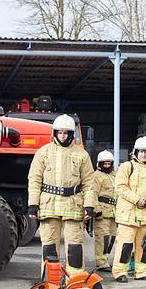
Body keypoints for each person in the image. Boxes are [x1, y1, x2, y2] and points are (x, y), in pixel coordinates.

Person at [27, 114, 95, 275]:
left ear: (71, 134)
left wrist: (90, 206)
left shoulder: (82, 155)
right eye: (60, 132)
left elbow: (89, 183)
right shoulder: (43, 153)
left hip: (73, 205)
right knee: (49, 246)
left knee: (75, 246)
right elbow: (34, 179)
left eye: (66, 133)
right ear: (55, 133)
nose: (63, 136)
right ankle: (51, 281)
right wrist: (33, 205)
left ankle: (75, 281)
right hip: (48, 206)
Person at [112, 136, 146, 283]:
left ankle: (143, 271)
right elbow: (120, 187)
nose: (143, 154)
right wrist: (137, 199)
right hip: (128, 215)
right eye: (141, 152)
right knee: (125, 245)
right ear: (135, 152)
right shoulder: (126, 166)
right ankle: (120, 272)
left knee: (145, 245)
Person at [92, 150, 117, 272]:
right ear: (99, 164)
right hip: (102, 212)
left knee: (112, 238)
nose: (107, 166)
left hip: (113, 213)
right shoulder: (96, 176)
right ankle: (101, 262)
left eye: (109, 164)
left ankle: (105, 260)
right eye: (104, 164)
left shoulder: (114, 175)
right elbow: (93, 193)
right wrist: (96, 210)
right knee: (102, 238)